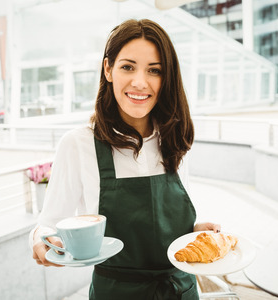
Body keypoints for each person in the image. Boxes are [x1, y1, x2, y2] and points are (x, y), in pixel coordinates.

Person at [30, 18, 221, 299]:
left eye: (154, 71)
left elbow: (166, 223)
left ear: (166, 78)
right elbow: (47, 225)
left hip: (180, 289)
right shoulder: (78, 144)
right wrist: (40, 241)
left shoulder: (173, 138)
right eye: (127, 67)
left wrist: (192, 231)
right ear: (108, 69)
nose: (140, 82)